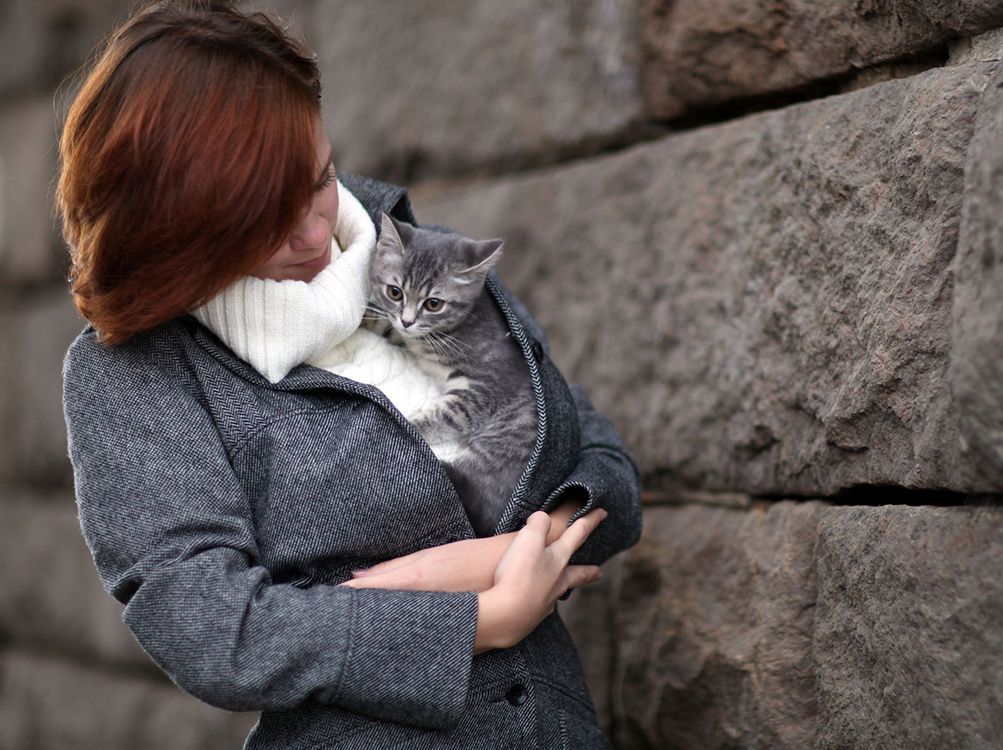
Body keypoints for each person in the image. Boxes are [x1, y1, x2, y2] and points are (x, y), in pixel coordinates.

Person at [55, 2, 641, 748]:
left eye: (319, 178)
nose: (311, 234)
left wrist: (495, 560)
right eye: (260, 218)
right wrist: (478, 618)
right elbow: (215, 630)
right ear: (178, 224)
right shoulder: (139, 372)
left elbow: (603, 464)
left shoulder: (418, 260)